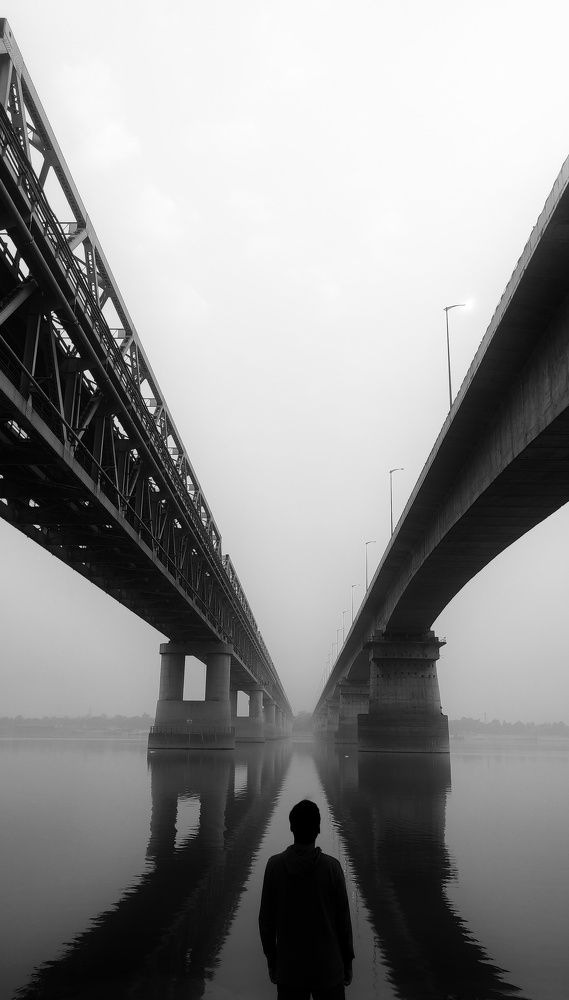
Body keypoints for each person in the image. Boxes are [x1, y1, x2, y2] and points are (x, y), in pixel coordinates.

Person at [258, 799, 354, 999]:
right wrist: (347, 962)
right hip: (328, 968)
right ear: (318, 829)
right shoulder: (332, 868)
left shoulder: (274, 867)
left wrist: (272, 960)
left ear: (291, 827)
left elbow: (266, 922)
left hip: (289, 970)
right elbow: (343, 923)